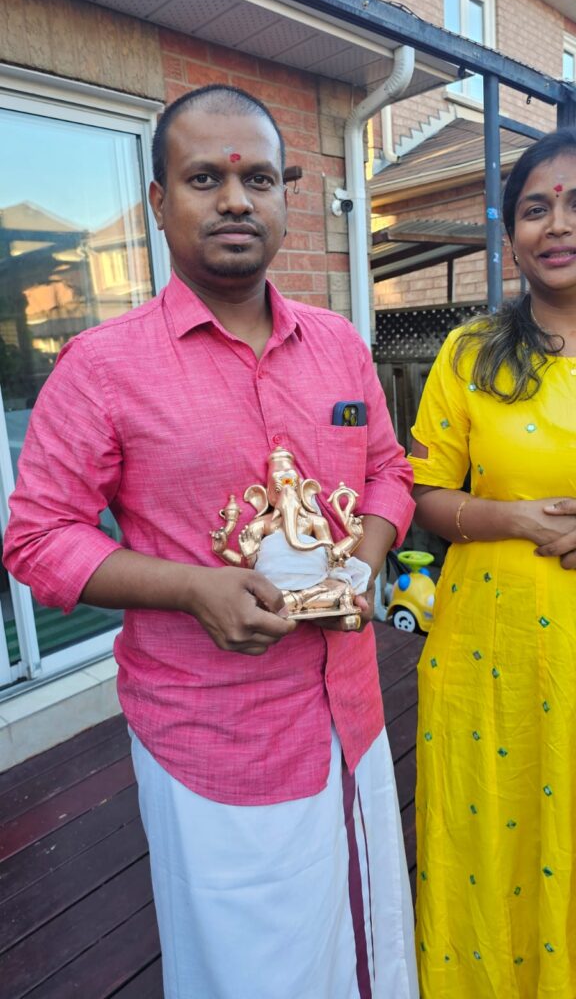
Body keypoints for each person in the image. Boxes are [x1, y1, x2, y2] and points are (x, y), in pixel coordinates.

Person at [3, 84, 419, 999]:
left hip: (352, 714)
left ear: (284, 199)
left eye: (258, 179)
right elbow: (37, 540)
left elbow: (389, 470)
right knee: (256, 968)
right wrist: (193, 589)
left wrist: (366, 555)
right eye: (205, 179)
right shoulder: (101, 368)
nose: (236, 199)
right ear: (159, 202)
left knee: (367, 936)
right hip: (217, 737)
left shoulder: (340, 346)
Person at [409, 128, 576, 998]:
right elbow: (424, 491)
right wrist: (509, 517)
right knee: (493, 833)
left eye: (575, 205)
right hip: (488, 651)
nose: (558, 225)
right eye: (535, 209)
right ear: (511, 237)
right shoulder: (471, 353)